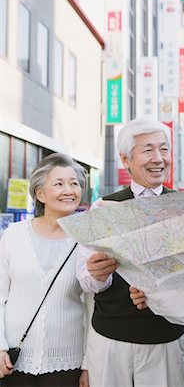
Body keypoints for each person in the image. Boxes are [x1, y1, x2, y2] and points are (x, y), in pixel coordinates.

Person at [76, 118, 184, 387]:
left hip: (166, 337)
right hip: (111, 337)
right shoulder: (105, 207)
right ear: (126, 159)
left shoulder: (183, 208)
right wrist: (97, 274)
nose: (158, 158)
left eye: (164, 149)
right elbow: (86, 279)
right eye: (148, 150)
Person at [0, 153, 89, 387]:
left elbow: (94, 308)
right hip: (13, 358)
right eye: (59, 183)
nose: (69, 190)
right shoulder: (13, 235)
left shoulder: (87, 241)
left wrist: (89, 363)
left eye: (74, 183)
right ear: (40, 193)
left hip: (67, 360)